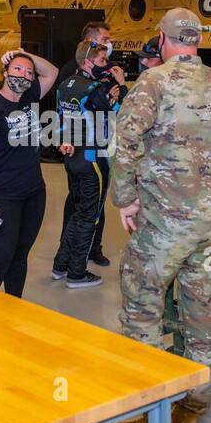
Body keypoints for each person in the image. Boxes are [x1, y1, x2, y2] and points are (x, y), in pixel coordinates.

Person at [109, 9, 211, 423]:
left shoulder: (153, 82)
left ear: (163, 39)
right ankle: (191, 413)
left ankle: (152, 419)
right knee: (200, 316)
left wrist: (125, 198)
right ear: (197, 40)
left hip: (164, 227)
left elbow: (123, 141)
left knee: (143, 313)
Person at [0, 48, 59, 296]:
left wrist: (23, 53)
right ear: (5, 71)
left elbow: (51, 71)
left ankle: (13, 309)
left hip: (32, 193)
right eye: (18, 68)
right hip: (1, 196)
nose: (24, 75)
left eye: (29, 72)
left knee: (19, 255)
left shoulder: (30, 98)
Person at [50, 40, 127, 289]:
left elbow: (61, 118)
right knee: (89, 217)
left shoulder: (66, 84)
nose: (107, 66)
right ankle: (77, 273)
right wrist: (122, 87)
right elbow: (121, 113)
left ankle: (60, 265)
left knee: (77, 212)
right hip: (93, 158)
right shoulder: (93, 88)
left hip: (73, 157)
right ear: (87, 62)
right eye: (103, 61)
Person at [55, 19, 116, 266]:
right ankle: (73, 260)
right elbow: (69, 109)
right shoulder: (72, 73)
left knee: (92, 207)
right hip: (85, 150)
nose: (108, 46)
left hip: (98, 144)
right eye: (104, 40)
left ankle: (89, 249)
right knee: (82, 206)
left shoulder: (103, 69)